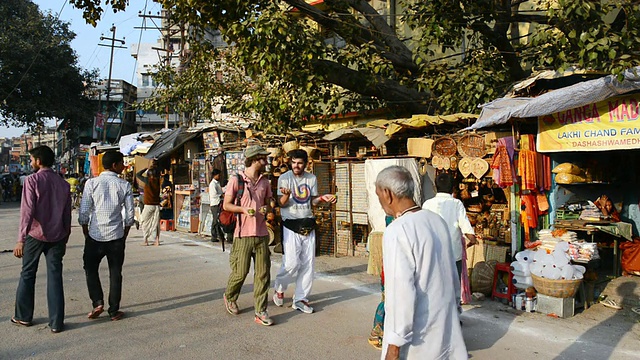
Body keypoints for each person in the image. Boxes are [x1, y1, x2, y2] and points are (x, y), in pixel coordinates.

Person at [375, 166, 466, 359]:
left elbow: (401, 291)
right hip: (444, 326)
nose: (380, 201)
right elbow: (451, 272)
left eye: (378, 196)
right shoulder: (436, 220)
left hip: (417, 338)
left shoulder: (398, 230)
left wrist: (395, 343)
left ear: (387, 193)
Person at [12, 146, 71, 333]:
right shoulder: (63, 183)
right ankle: (56, 323)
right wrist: (66, 235)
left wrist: (20, 239)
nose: (31, 163)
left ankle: (23, 316)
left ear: (38, 161)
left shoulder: (32, 180)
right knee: (55, 276)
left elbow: (27, 211)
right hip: (58, 235)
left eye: (31, 160)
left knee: (28, 274)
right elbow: (67, 214)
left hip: (35, 235)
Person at [272, 149, 336, 314]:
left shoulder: (311, 178)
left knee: (308, 264)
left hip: (307, 222)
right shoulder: (284, 178)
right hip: (290, 224)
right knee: (292, 263)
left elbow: (312, 202)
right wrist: (286, 195)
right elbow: (282, 204)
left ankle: (300, 299)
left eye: (299, 163)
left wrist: (322, 198)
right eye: (293, 162)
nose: (296, 166)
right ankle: (279, 287)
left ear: (305, 164)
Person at [78, 151, 135, 322]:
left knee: (90, 269)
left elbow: (84, 211)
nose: (124, 166)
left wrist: (85, 230)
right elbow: (130, 215)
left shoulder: (91, 183)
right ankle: (114, 310)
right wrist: (124, 234)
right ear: (115, 165)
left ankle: (97, 302)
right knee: (115, 273)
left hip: (95, 235)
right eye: (122, 163)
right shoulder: (124, 185)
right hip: (116, 236)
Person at [222, 144, 274, 326]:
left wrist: (267, 208)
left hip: (262, 234)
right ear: (254, 159)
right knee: (240, 272)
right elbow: (226, 205)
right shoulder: (236, 180)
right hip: (242, 235)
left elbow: (269, 203)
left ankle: (260, 310)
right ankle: (230, 296)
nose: (266, 161)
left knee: (263, 274)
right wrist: (244, 209)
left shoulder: (265, 182)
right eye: (263, 158)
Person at [422, 172, 477, 312]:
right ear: (453, 188)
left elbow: (422, 228)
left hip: (433, 254)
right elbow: (466, 226)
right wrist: (472, 239)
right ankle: (453, 317)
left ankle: (436, 316)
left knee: (434, 287)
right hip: (454, 254)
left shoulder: (427, 204)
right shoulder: (456, 204)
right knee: (453, 287)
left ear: (435, 187)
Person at [136, 160, 161, 246]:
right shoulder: (158, 181)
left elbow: (138, 174)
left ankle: (145, 240)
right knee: (155, 223)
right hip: (157, 205)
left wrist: (145, 169)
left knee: (145, 222)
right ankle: (157, 240)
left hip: (148, 205)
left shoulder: (148, 180)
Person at [208, 169, 225, 242]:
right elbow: (214, 195)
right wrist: (221, 195)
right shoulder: (212, 184)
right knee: (215, 220)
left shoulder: (217, 183)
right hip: (215, 203)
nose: (219, 176)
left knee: (218, 220)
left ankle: (218, 235)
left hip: (219, 203)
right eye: (218, 175)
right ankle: (214, 235)